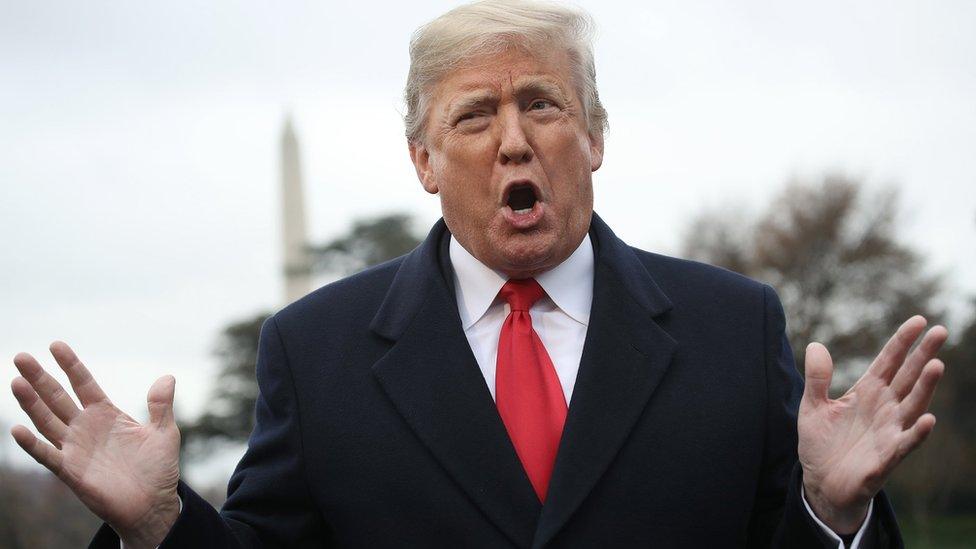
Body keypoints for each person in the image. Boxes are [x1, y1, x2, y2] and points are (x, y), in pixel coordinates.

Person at [9, 1, 948, 547]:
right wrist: (160, 525)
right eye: (472, 117)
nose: (512, 141)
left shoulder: (732, 327)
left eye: (542, 103)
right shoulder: (316, 350)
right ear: (421, 159)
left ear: (595, 136)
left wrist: (835, 513)